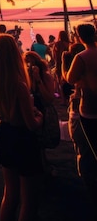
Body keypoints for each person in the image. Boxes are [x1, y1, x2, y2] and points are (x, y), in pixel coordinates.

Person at [0, 34, 43, 221]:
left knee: (10, 194)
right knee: (29, 199)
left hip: (4, 134)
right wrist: (39, 117)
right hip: (22, 138)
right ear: (14, 55)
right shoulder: (19, 85)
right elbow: (31, 124)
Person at [63, 23, 97, 198]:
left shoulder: (82, 57)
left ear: (80, 37)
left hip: (89, 109)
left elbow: (70, 78)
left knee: (90, 148)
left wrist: (63, 62)